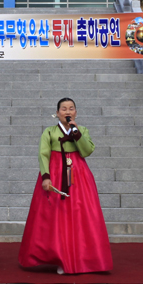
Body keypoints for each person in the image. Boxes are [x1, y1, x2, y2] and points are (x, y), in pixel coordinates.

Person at [18, 97, 113, 274]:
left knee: (80, 214)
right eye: (63, 109)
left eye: (71, 109)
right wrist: (46, 177)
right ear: (57, 113)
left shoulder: (82, 130)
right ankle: (59, 256)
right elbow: (43, 154)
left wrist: (76, 133)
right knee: (55, 215)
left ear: (76, 112)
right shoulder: (49, 132)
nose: (67, 112)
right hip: (55, 173)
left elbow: (87, 151)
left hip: (79, 175)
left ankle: (81, 256)